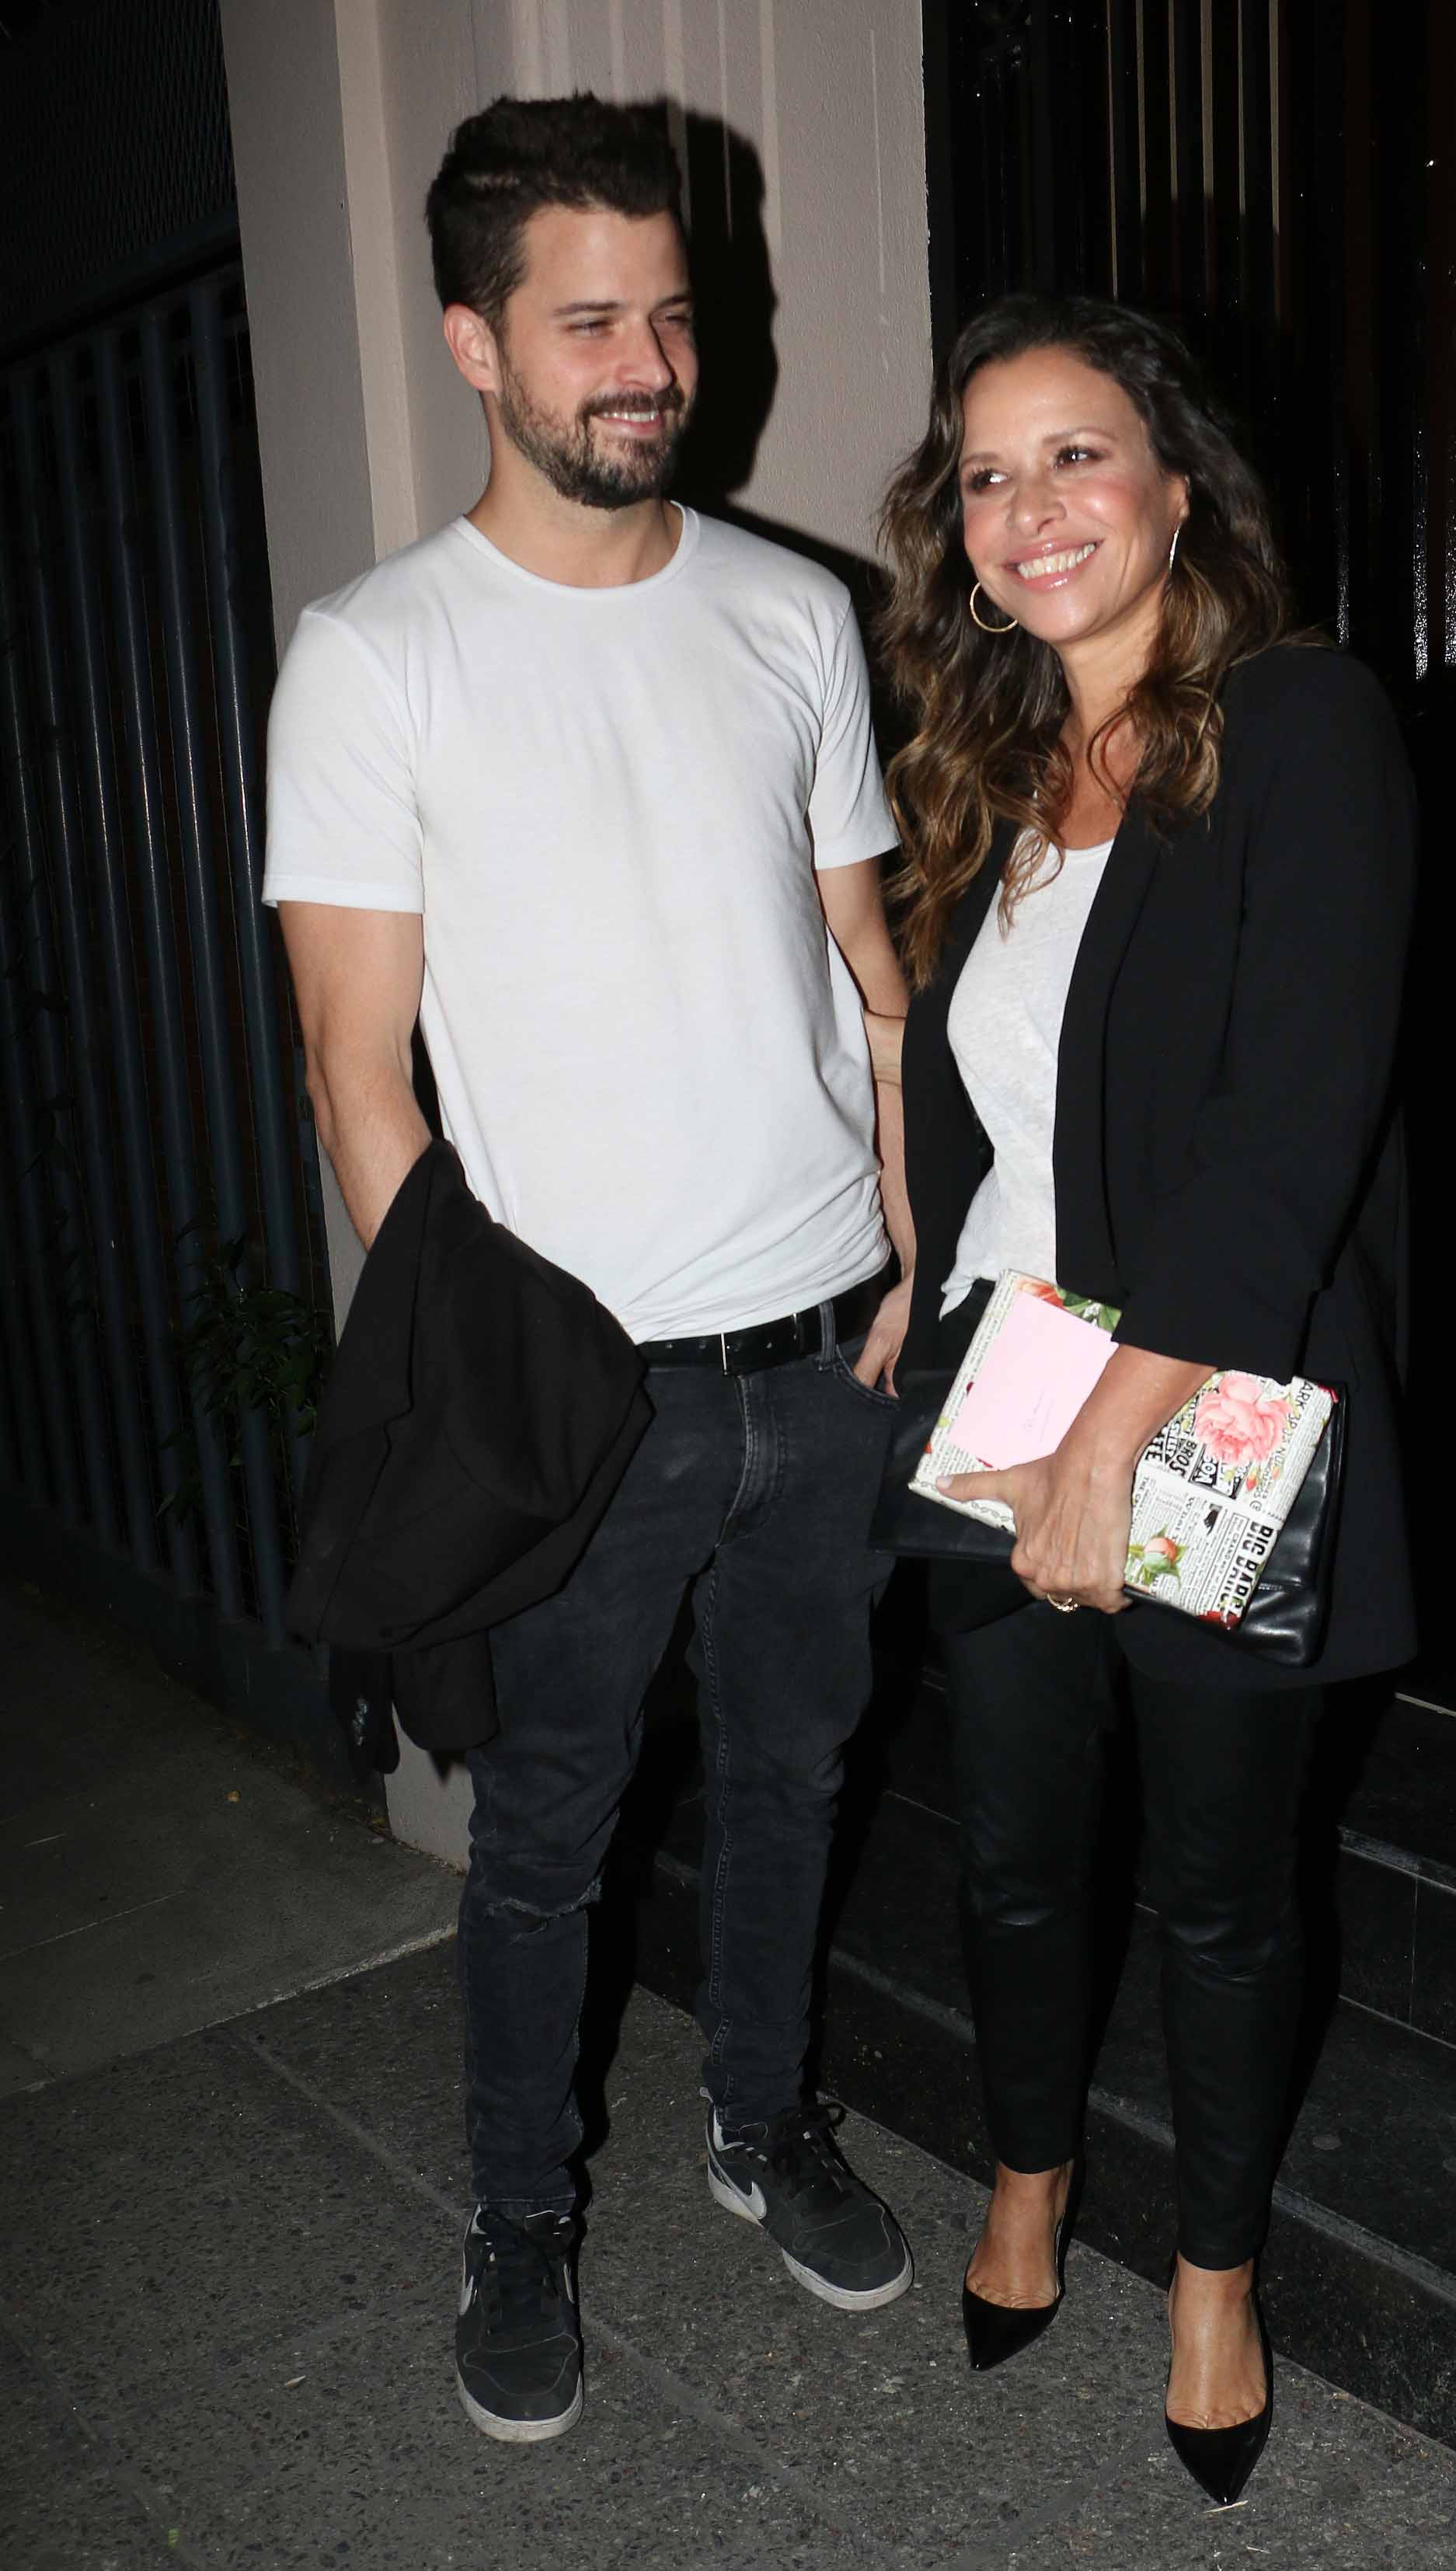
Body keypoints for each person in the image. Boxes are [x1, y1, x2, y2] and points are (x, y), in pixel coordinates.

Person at [263, 92, 916, 2448]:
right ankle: (519, 2210)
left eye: (671, 311)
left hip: (821, 1350)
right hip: (581, 1390)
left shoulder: (790, 608)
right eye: (588, 322)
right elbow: (360, 1071)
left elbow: (865, 959)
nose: (648, 360)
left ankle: (762, 2119)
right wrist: (483, 1381)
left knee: (795, 1763)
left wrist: (910, 1232)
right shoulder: (376, 655)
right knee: (545, 1830)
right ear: (474, 343)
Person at [862, 294, 1415, 2504]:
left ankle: (1210, 2266)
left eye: (1075, 457)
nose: (1030, 510)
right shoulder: (993, 778)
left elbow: (1291, 1126)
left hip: (1199, 1398)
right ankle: (1024, 2171)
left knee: (1216, 1879)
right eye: (989, 475)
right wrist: (926, 1279)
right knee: (1004, 1849)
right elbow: (987, 1096)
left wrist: (1113, 1435)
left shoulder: (1300, 726)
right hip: (998, 1388)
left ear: (1179, 485)